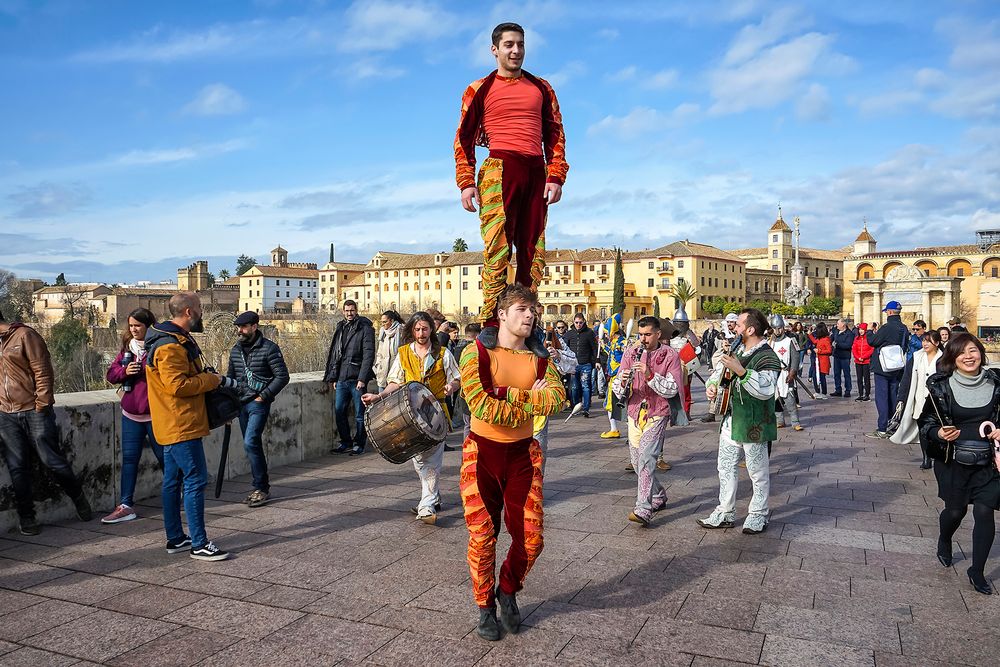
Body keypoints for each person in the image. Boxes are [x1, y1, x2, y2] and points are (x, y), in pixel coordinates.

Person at [457, 284, 565, 641]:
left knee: (531, 539)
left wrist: (503, 392)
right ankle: (484, 606)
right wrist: (524, 397)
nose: (530, 315)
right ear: (501, 314)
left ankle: (508, 588)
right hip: (482, 455)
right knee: (483, 536)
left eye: (532, 309)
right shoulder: (476, 354)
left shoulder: (541, 359)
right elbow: (481, 405)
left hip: (522, 455)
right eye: (521, 309)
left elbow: (556, 401)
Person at [455, 22, 568, 359]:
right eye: (508, 45)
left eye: (520, 44)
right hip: (499, 170)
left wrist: (556, 175)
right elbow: (463, 141)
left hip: (536, 170)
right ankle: (491, 322)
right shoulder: (479, 88)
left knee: (532, 254)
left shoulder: (541, 87)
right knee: (497, 251)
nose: (515, 50)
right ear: (495, 49)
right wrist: (466, 182)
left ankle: (527, 324)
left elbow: (556, 134)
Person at [145, 292, 233, 561]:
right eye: (199, 308)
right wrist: (212, 381)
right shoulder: (170, 347)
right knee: (195, 479)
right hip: (180, 423)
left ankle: (175, 537)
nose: (202, 312)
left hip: (173, 423)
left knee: (173, 481)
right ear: (188, 312)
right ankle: (199, 543)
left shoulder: (170, 339)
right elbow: (178, 386)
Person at [918, 333, 1000, 595]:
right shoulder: (940, 385)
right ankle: (945, 539)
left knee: (985, 512)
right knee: (956, 511)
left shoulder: (996, 382)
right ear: (952, 357)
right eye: (962, 352)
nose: (969, 356)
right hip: (953, 459)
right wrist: (939, 433)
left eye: (973, 350)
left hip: (988, 460)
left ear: (981, 353)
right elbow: (926, 422)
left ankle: (976, 570)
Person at [0, 308, 92, 535]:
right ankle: (27, 516)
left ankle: (78, 497)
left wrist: (42, 404)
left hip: (33, 409)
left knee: (51, 460)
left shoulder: (24, 335)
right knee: (17, 467)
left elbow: (42, 370)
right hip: (5, 413)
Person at [363, 312, 460, 525]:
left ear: (431, 330)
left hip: (436, 414)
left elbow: (456, 378)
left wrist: (451, 387)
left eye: (425, 329)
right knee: (418, 460)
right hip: (409, 415)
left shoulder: (443, 354)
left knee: (432, 460)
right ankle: (433, 496)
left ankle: (426, 506)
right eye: (417, 329)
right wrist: (378, 396)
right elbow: (395, 381)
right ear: (412, 331)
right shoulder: (404, 353)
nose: (421, 333)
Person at [698, 308, 781, 535]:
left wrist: (742, 372)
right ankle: (725, 511)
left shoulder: (767, 356)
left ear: (751, 329)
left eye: (740, 324)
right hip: (731, 418)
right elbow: (717, 375)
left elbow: (766, 388)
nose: (735, 327)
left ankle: (758, 514)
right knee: (725, 466)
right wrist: (712, 387)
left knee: (757, 471)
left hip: (754, 421)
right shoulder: (737, 349)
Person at [612, 317, 681, 526]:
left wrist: (650, 374)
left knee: (647, 458)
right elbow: (617, 386)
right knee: (636, 462)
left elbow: (673, 389)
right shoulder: (630, 353)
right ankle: (658, 494)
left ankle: (643, 507)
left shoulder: (670, 355)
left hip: (658, 412)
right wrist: (622, 381)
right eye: (640, 335)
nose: (643, 339)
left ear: (658, 334)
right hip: (635, 411)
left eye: (647, 335)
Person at [103, 308, 164, 524]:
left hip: (155, 414)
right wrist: (125, 371)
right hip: (131, 415)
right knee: (129, 460)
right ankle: (126, 505)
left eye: (137, 325)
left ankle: (179, 495)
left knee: (165, 458)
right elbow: (111, 375)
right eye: (131, 325)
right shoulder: (126, 350)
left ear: (148, 326)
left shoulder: (159, 347)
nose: (133, 329)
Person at [227, 311, 290, 508]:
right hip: (241, 403)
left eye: (243, 327)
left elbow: (282, 376)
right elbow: (231, 379)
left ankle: (261, 487)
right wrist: (228, 408)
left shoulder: (270, 349)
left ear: (254, 326)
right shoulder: (235, 350)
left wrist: (264, 396)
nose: (240, 331)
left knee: (250, 441)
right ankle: (260, 486)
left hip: (258, 403)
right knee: (251, 445)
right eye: (238, 327)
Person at [322, 300, 376, 455]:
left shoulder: (365, 328)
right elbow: (335, 354)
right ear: (343, 311)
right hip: (341, 378)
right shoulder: (341, 327)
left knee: (360, 414)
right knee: (339, 412)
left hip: (357, 379)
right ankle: (345, 442)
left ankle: (359, 444)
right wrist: (333, 377)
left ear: (356, 310)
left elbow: (368, 355)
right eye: (346, 310)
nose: (349, 313)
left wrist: (362, 379)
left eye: (352, 310)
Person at [890, 330, 943, 468]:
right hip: (919, 398)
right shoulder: (916, 357)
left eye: (928, 341)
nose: (925, 343)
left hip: (937, 401)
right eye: (924, 340)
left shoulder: (943, 359)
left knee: (937, 429)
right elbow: (907, 379)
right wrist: (901, 398)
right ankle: (926, 458)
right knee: (923, 429)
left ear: (936, 343)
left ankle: (938, 454)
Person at [866, 300, 908, 439]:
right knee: (893, 396)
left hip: (883, 367)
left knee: (882, 397)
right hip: (897, 366)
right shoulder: (904, 328)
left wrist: (870, 331)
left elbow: (873, 342)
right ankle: (893, 424)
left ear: (889, 312)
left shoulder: (886, 327)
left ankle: (882, 427)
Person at [700, 313, 739, 423]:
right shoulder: (723, 335)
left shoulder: (740, 335)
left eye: (732, 322)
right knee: (714, 385)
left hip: (737, 364)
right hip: (723, 364)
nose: (730, 324)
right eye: (728, 322)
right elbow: (715, 350)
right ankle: (712, 412)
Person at [769, 315, 803, 431]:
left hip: (785, 373)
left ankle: (795, 422)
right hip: (772, 374)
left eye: (779, 328)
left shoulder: (790, 340)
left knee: (789, 398)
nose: (777, 331)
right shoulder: (769, 342)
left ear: (783, 327)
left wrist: (792, 372)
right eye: (775, 328)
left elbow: (795, 357)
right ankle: (780, 420)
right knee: (775, 398)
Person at [599, 312, 627, 438]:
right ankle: (614, 429)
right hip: (613, 379)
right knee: (609, 404)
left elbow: (625, 354)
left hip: (620, 378)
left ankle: (632, 431)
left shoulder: (621, 342)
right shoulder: (614, 342)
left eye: (606, 333)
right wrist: (603, 345)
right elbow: (610, 352)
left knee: (624, 404)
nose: (605, 335)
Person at [564, 312, 597, 418]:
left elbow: (594, 348)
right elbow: (565, 348)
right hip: (573, 365)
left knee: (586, 387)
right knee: (574, 387)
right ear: (573, 322)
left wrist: (596, 361)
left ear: (584, 322)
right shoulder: (569, 334)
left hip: (586, 364)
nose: (578, 324)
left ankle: (586, 409)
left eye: (580, 322)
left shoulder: (589, 333)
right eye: (577, 322)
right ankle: (575, 406)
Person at [373, 310, 403, 393]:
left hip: (396, 374)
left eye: (385, 322)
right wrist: (377, 367)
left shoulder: (401, 331)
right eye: (381, 322)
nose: (383, 324)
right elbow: (379, 352)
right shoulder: (383, 332)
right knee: (381, 402)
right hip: (382, 373)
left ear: (392, 321)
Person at [830, 319, 854, 397]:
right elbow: (830, 340)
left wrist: (837, 345)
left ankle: (848, 390)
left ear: (843, 325)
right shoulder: (836, 332)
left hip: (845, 356)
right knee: (836, 374)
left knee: (846, 374)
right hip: (836, 355)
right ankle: (838, 390)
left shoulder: (849, 334)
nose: (836, 325)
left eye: (838, 324)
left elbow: (848, 345)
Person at [809, 322, 832, 397]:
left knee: (822, 377)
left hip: (823, 361)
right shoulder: (820, 339)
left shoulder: (826, 339)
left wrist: (819, 351)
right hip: (818, 360)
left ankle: (824, 393)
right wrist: (810, 335)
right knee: (815, 376)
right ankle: (817, 391)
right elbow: (815, 341)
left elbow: (829, 350)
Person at [852, 322, 874, 402]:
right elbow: (854, 349)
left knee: (867, 378)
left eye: (862, 329)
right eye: (860, 329)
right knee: (859, 378)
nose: (861, 331)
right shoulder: (856, 338)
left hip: (866, 361)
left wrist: (863, 357)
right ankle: (860, 394)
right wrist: (858, 357)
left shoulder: (868, 338)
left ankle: (867, 395)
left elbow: (871, 349)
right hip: (858, 361)